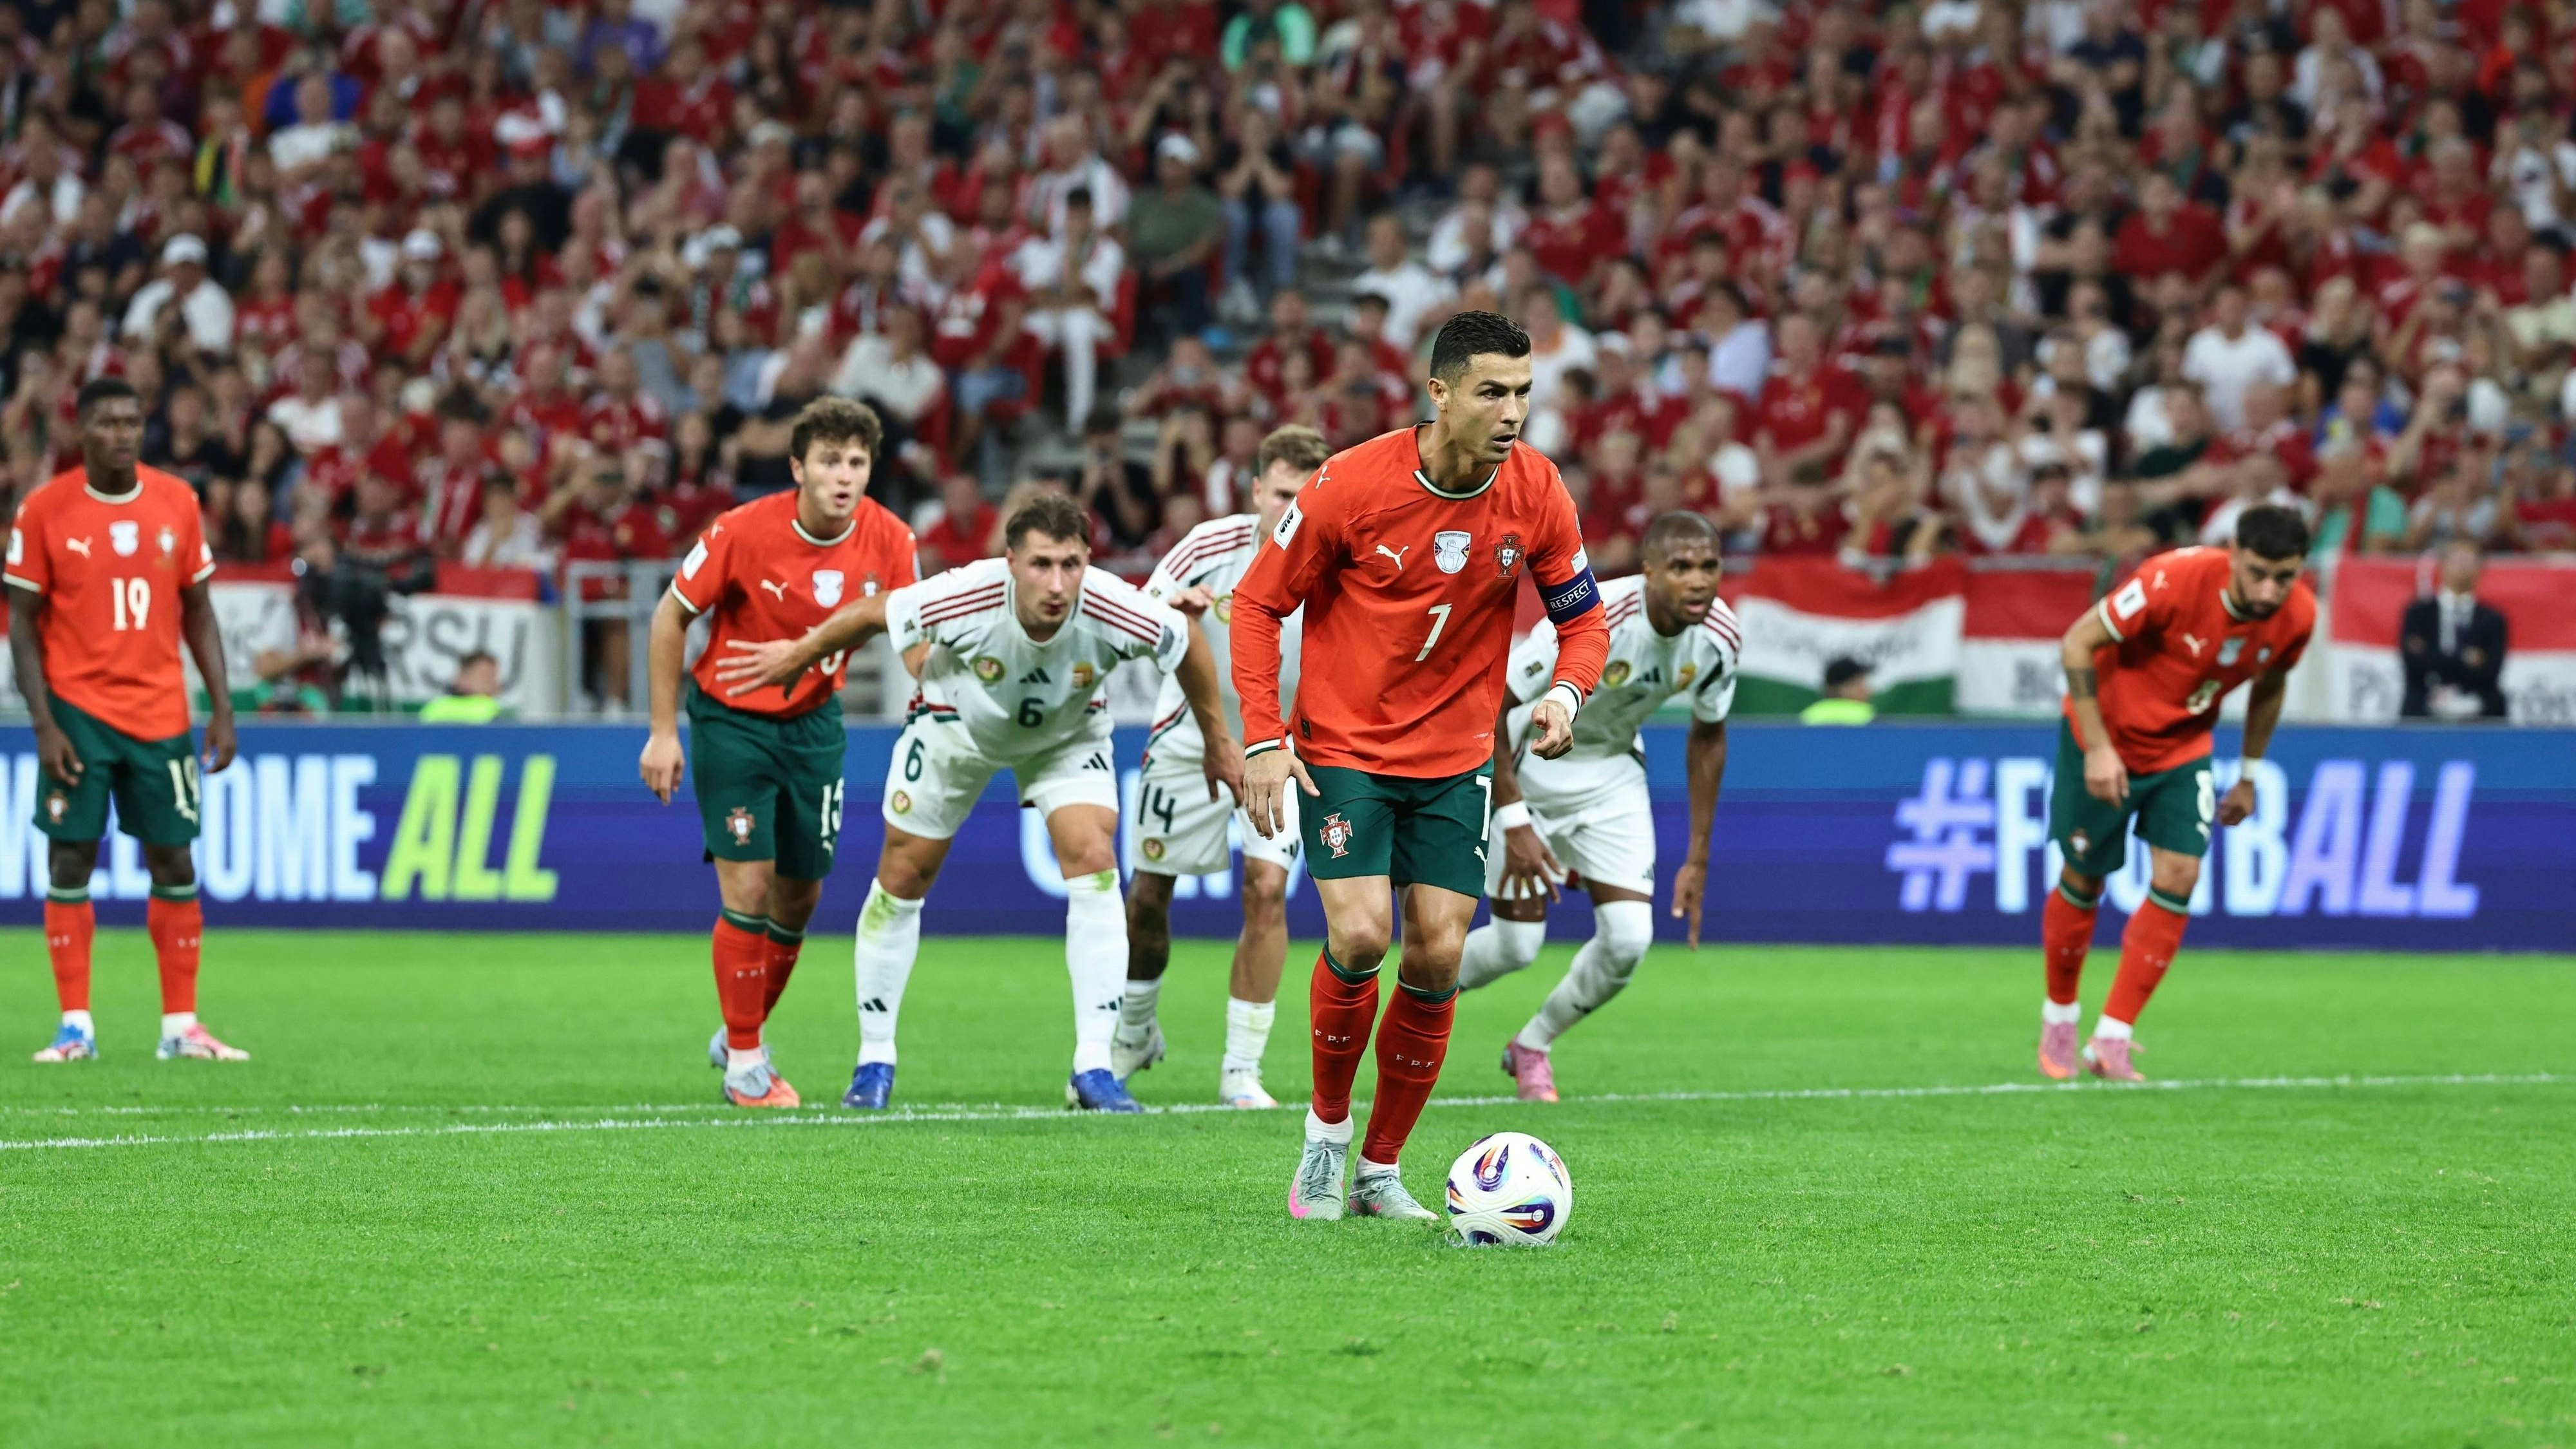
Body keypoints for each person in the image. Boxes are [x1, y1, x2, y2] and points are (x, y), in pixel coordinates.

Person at [1231, 310, 1611, 1222]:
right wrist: (1261, 737)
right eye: (1492, 391)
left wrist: (1565, 694)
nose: (1513, 410)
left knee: (1438, 952)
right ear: (1438, 393)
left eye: (1523, 391)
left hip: (1455, 757)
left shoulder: (1539, 490)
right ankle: (1325, 1141)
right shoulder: (1350, 484)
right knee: (1362, 936)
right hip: (1347, 750)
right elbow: (1255, 605)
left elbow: (1583, 619)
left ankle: (1378, 1169)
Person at [721, 494, 1239, 1113]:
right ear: (1011, 561)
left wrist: (1219, 742)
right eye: (1042, 564)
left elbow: (1185, 644)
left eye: (1071, 564)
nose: (1058, 583)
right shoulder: (965, 593)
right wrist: (799, 653)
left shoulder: (1112, 605)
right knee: (903, 876)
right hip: (955, 728)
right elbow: (872, 613)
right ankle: (874, 1060)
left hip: (1066, 739)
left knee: (1094, 860)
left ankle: (1095, 1068)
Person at [636, 399, 920, 1110]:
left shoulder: (891, 540)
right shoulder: (740, 530)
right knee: (750, 890)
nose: (843, 476)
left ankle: (742, 1029)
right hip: (732, 724)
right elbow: (671, 614)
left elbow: (915, 643)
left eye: (856, 462)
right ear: (798, 468)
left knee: (801, 895)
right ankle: (745, 1068)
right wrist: (663, 730)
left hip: (816, 727)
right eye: (829, 461)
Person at [1456, 511, 1741, 1101]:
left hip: (1611, 776)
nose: (1697, 581)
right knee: (1514, 947)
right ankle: (1411, 995)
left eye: (1709, 566)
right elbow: (1491, 709)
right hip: (1528, 764)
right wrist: (1514, 821)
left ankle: (1532, 1045)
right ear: (1648, 572)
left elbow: (1708, 735)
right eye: (1681, 567)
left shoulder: (1720, 638)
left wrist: (1699, 856)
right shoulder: (1593, 617)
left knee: (1630, 938)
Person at [8, 377, 241, 1064]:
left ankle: (181, 1027)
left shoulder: (177, 502)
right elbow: (21, 627)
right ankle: (75, 1026)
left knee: (173, 858)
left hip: (161, 713)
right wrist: (44, 725)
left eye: (131, 422)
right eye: (107, 423)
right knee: (71, 856)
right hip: (79, 712)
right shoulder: (46, 509)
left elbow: (199, 612)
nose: (121, 434)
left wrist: (223, 708)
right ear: (83, 431)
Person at [2040, 506, 2316, 1083]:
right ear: (2234, 554)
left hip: (2182, 748)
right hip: (2106, 736)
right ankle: (2060, 1015)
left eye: (2284, 576)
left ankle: (2112, 1037)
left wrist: (2248, 773)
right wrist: (2096, 748)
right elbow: (2075, 643)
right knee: (2086, 877)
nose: (2270, 590)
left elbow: (2271, 685)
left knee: (2180, 875)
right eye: (2259, 572)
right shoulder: (2172, 580)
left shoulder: (2298, 616)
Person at [1115, 424, 1326, 1110]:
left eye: (1307, 496)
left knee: (1266, 890)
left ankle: (1241, 1070)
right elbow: (1136, 620)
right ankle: (1134, 1032)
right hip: (1189, 736)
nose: (1292, 510)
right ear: (1258, 490)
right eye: (1283, 494)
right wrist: (1172, 614)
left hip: (1284, 748)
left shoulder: (1340, 556)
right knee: (1149, 895)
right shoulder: (1211, 546)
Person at [2400, 539, 2508, 719]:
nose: (2463, 568)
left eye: (2470, 562)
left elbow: (2491, 671)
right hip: (2426, 696)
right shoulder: (2418, 614)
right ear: (2443, 566)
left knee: (2496, 703)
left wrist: (2433, 655)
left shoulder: (2493, 619)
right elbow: (2413, 664)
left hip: (2477, 699)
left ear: (2481, 570)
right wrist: (2466, 659)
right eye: (2458, 561)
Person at [419, 651, 506, 723]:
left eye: (494, 677)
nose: (495, 684)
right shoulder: (488, 708)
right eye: (486, 677)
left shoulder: (434, 707)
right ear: (463, 678)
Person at [1800, 658, 1875, 723]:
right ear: (1845, 689)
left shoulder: (1808, 716)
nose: (1868, 690)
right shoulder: (1868, 716)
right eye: (1861, 684)